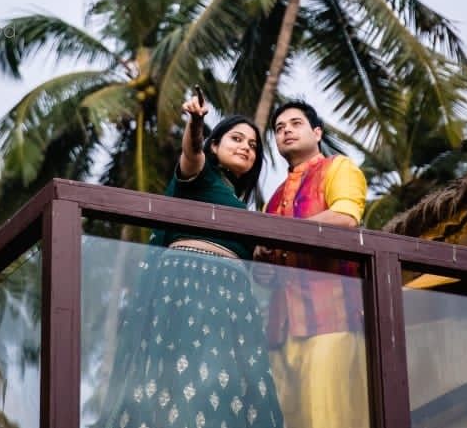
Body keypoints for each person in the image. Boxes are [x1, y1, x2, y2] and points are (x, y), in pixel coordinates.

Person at [99, 94, 284, 428]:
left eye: (253, 145)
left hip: (230, 299)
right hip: (187, 287)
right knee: (182, 377)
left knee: (225, 384)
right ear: (215, 146)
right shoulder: (200, 177)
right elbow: (191, 152)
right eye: (237, 139)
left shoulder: (242, 210)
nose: (246, 148)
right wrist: (196, 122)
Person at [257, 100, 369, 428]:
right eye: (279, 129)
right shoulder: (273, 200)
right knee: (290, 419)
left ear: (316, 132)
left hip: (332, 318)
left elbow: (346, 217)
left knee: (331, 418)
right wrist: (261, 260)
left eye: (295, 124)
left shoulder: (339, 168)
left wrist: (278, 237)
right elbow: (266, 274)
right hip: (281, 327)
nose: (286, 131)